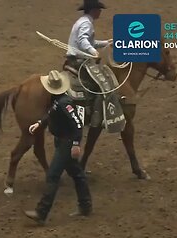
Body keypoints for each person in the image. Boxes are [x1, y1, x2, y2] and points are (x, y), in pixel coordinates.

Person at [24, 70, 92, 225]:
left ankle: (41, 212)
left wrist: (75, 145)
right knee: (77, 173)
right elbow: (51, 113)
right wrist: (40, 123)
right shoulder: (58, 101)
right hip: (62, 141)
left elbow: (77, 125)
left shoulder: (64, 103)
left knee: (53, 175)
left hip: (66, 143)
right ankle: (85, 205)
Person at [63, 0, 112, 126]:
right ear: (93, 10)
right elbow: (83, 40)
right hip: (79, 61)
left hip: (74, 59)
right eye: (99, 9)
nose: (100, 12)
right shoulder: (86, 23)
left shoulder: (83, 21)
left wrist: (106, 43)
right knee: (102, 82)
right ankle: (95, 115)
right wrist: (93, 52)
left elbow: (90, 42)